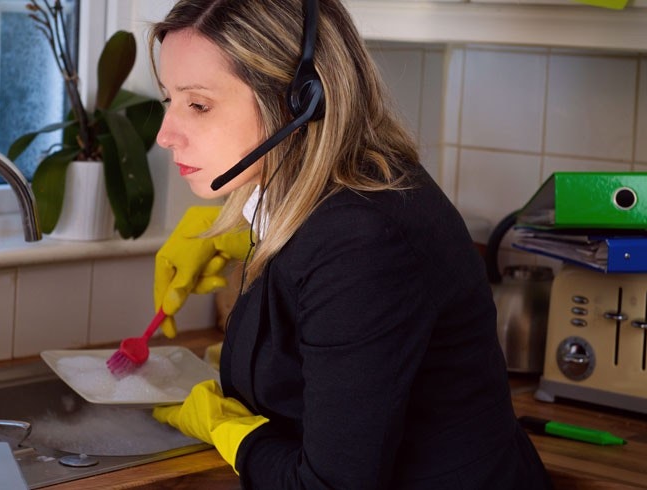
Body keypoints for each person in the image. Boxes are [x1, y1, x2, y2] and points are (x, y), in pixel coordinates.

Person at [148, 0, 553, 488]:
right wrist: (238, 236)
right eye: (168, 99)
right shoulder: (330, 202)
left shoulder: (363, 240)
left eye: (198, 105)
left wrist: (232, 433)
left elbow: (329, 485)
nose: (165, 135)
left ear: (300, 100)